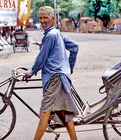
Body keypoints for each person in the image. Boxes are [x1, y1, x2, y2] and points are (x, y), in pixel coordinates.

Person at [23, 6, 79, 140]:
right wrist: (69, 67)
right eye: (41, 17)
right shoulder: (56, 33)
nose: (42, 20)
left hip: (55, 78)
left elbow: (41, 58)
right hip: (61, 77)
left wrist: (31, 72)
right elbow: (75, 47)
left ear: (53, 18)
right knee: (64, 114)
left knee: (44, 114)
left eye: (45, 17)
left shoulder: (51, 35)